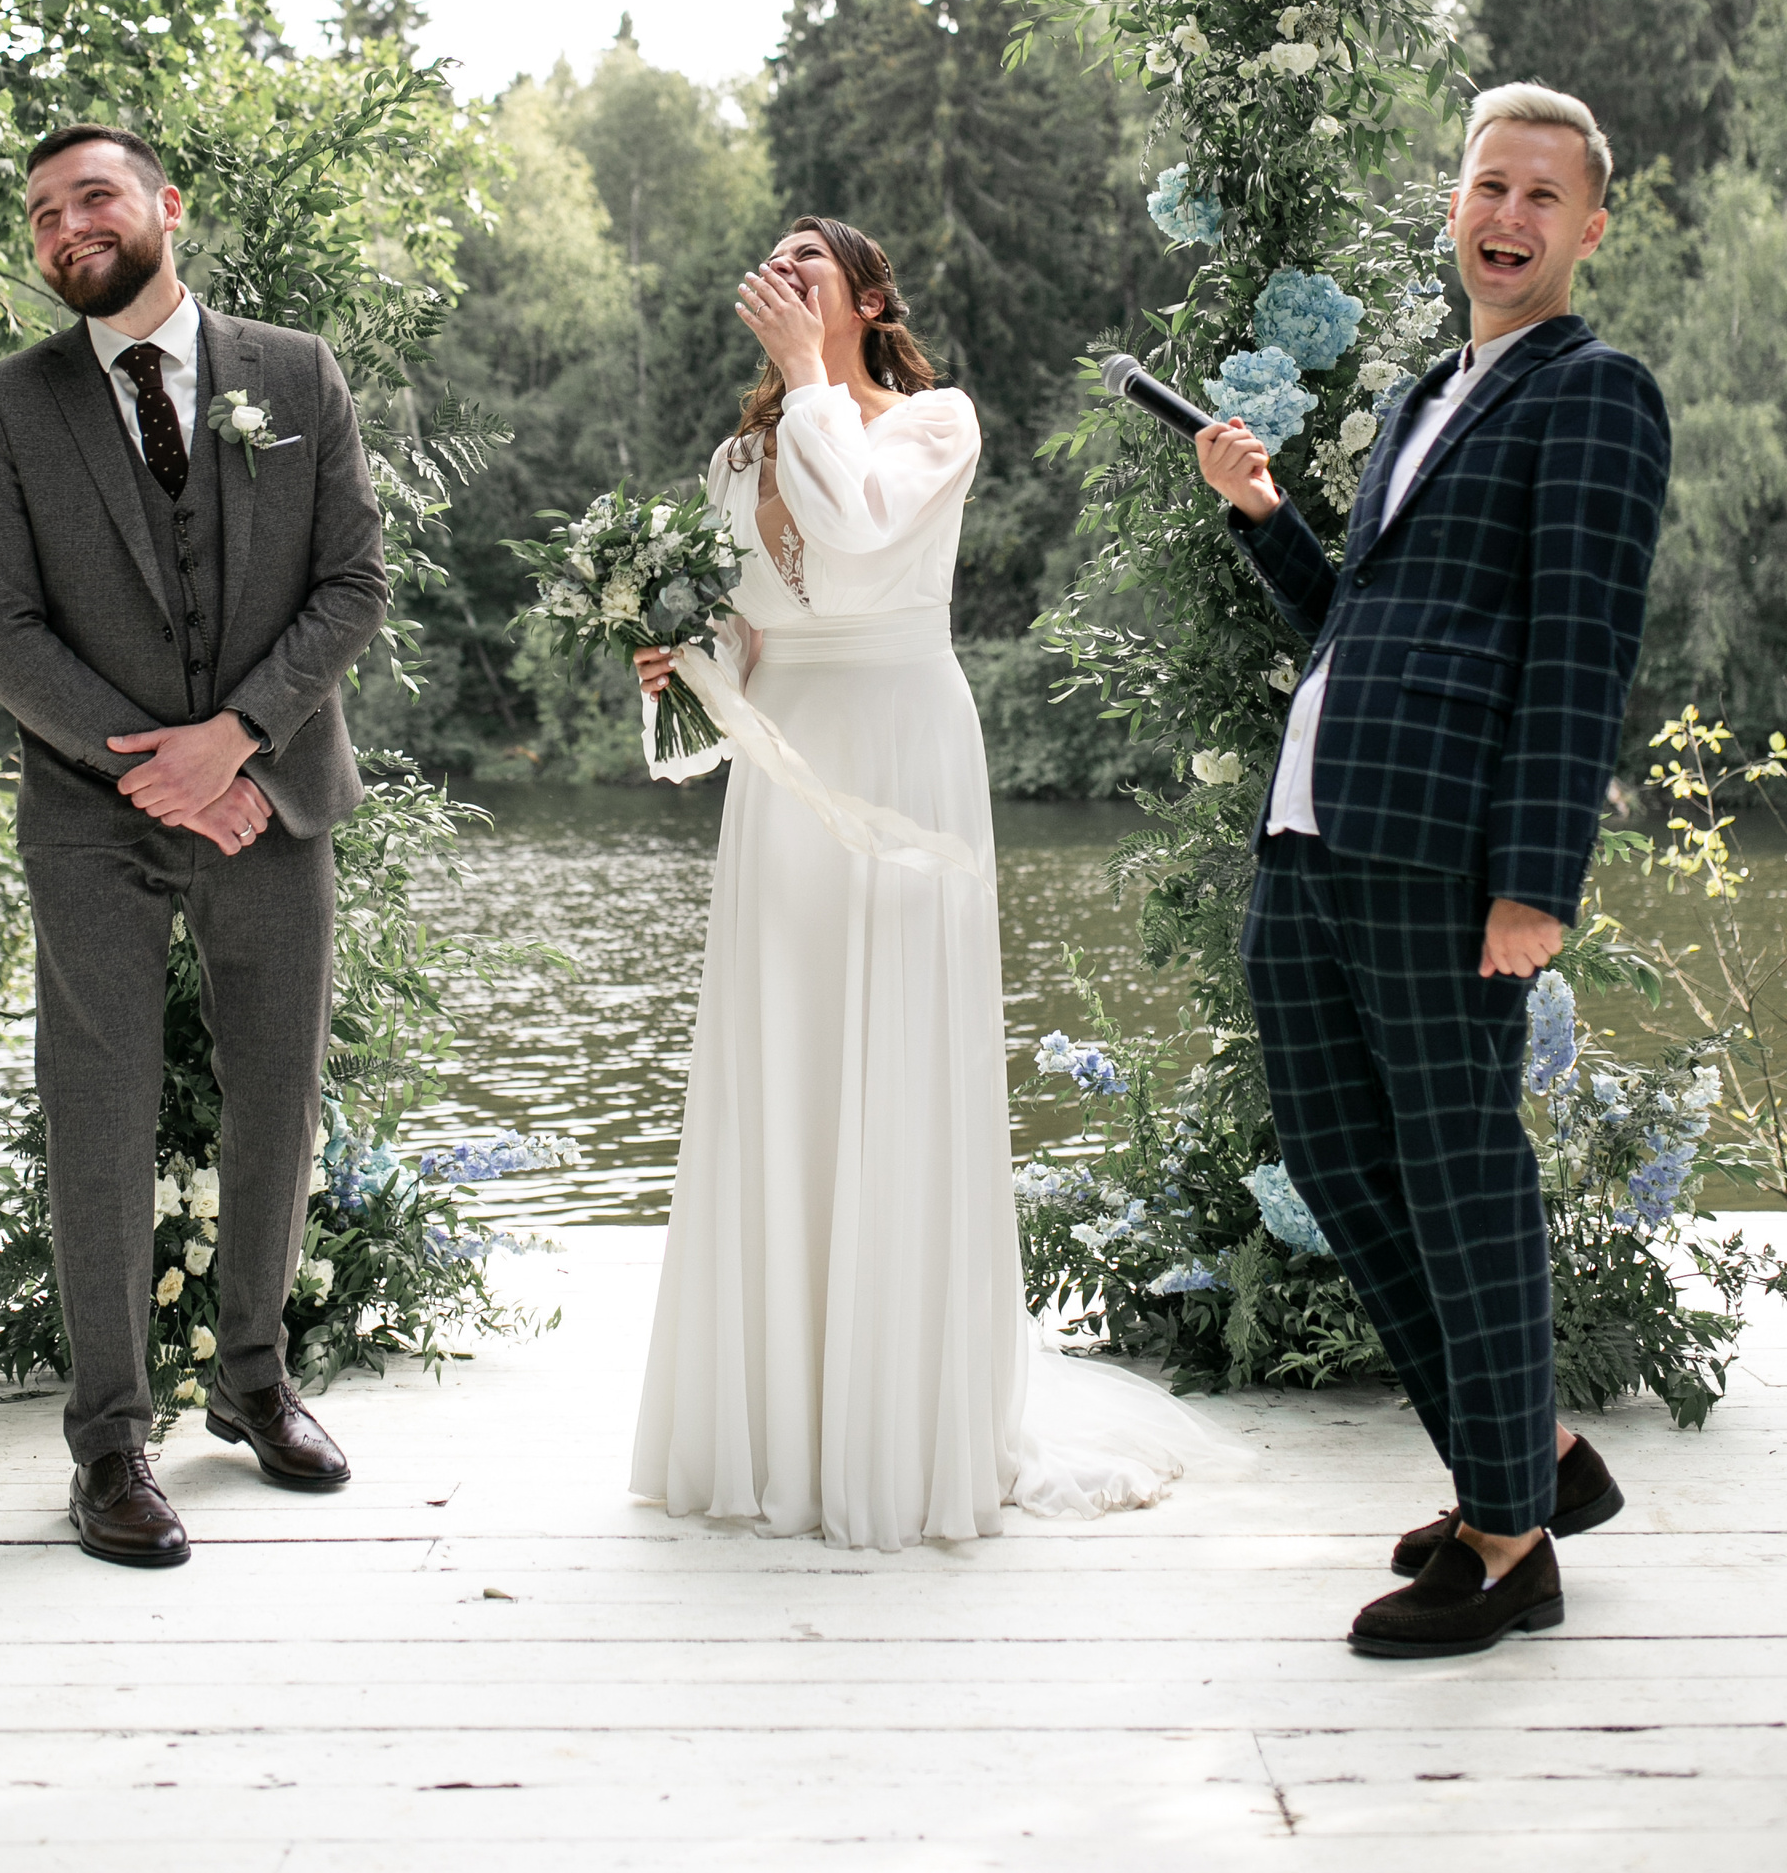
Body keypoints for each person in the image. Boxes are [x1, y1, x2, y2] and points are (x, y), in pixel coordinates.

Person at [629, 216, 1212, 1548]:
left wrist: (809, 378)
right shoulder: (735, 459)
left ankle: (899, 1430)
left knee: (895, 1049)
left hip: (902, 741)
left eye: (810, 263)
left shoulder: (933, 424)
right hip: (785, 768)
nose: (783, 275)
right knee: (785, 1050)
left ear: (869, 299)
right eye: (773, 261)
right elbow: (752, 630)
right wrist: (683, 662)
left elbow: (856, 530)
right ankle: (778, 1428)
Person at [1195, 82, 1669, 1658]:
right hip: (1314, 831)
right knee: (1340, 1167)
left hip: (1446, 854)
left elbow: (1580, 652)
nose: (1509, 216)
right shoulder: (1421, 398)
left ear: (1589, 229)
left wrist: (1538, 881)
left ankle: (1510, 1542)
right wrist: (1267, 519)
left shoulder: (1595, 394)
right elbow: (1368, 625)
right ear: (1454, 205)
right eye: (1489, 186)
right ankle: (1527, 1453)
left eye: (1543, 195)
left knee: (1462, 1176)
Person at [0, 125, 388, 1567]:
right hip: (94, 816)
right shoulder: (9, 406)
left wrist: (239, 738)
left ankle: (255, 1383)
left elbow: (352, 584)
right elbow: (0, 632)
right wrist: (164, 770)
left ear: (164, 207)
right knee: (98, 1109)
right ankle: (108, 1441)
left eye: (92, 196)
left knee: (278, 1093)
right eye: (41, 212)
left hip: (274, 797)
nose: (65, 225)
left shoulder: (297, 374)